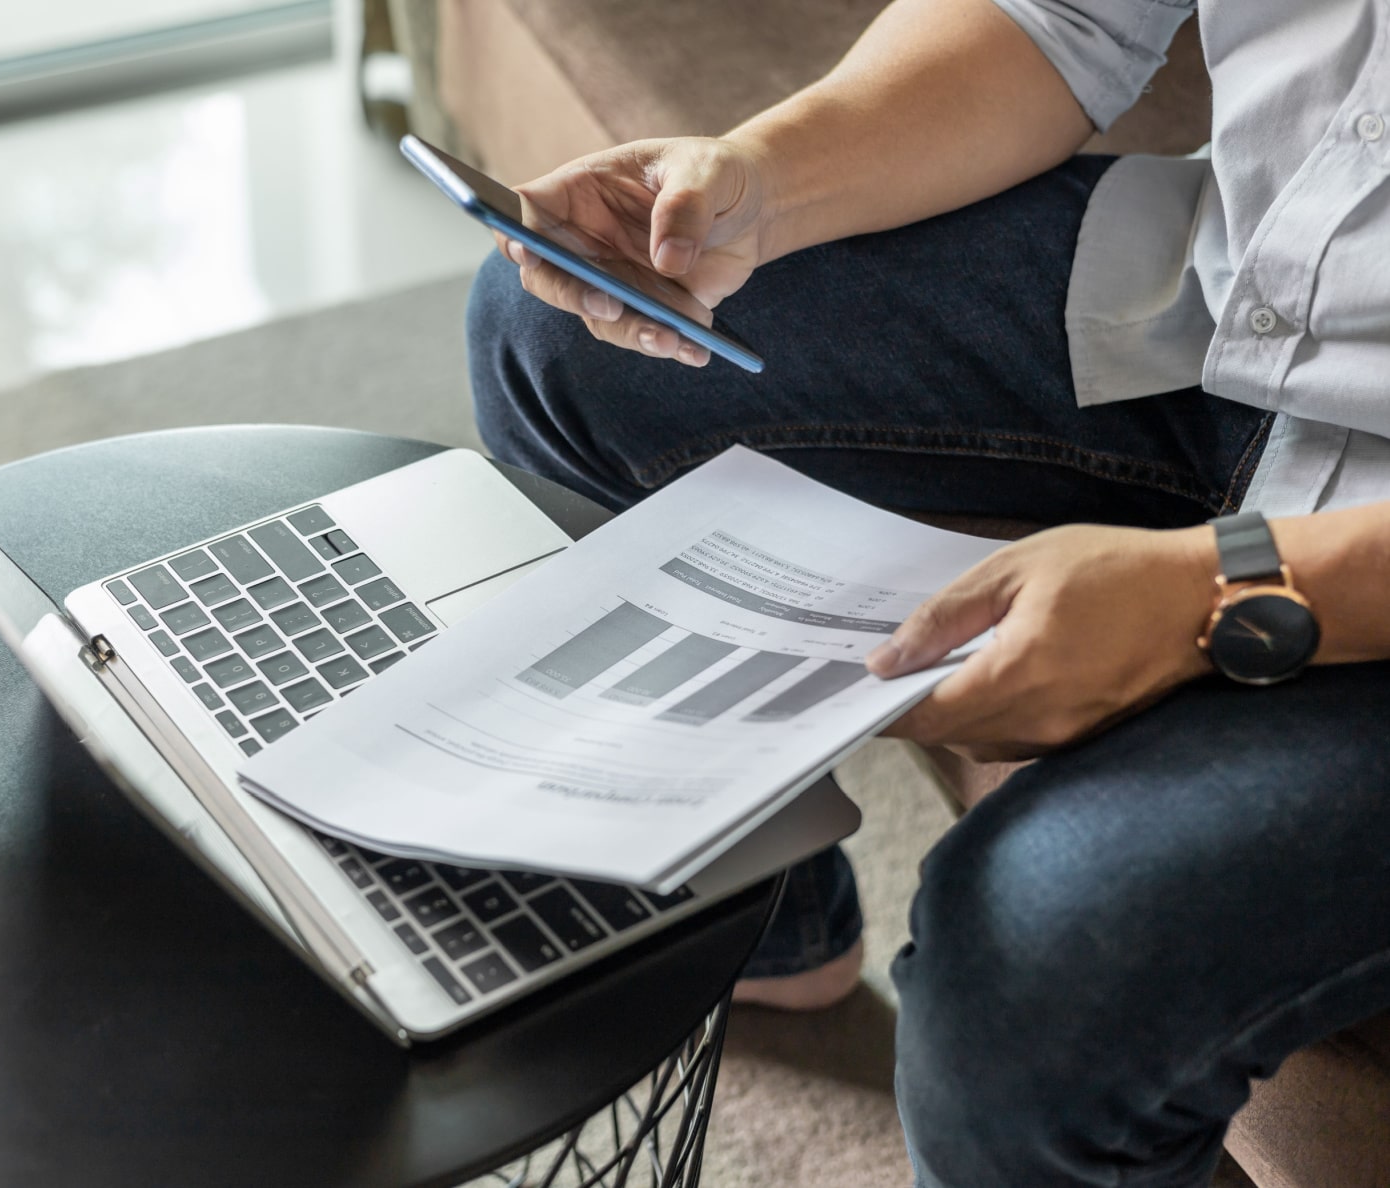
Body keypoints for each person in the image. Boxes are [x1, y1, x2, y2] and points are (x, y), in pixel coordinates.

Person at [463, 0, 1390, 1183]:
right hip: (1245, 303)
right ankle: (769, 922)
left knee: (1033, 975)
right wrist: (765, 174)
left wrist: (1207, 590)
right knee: (558, 343)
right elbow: (1061, 19)